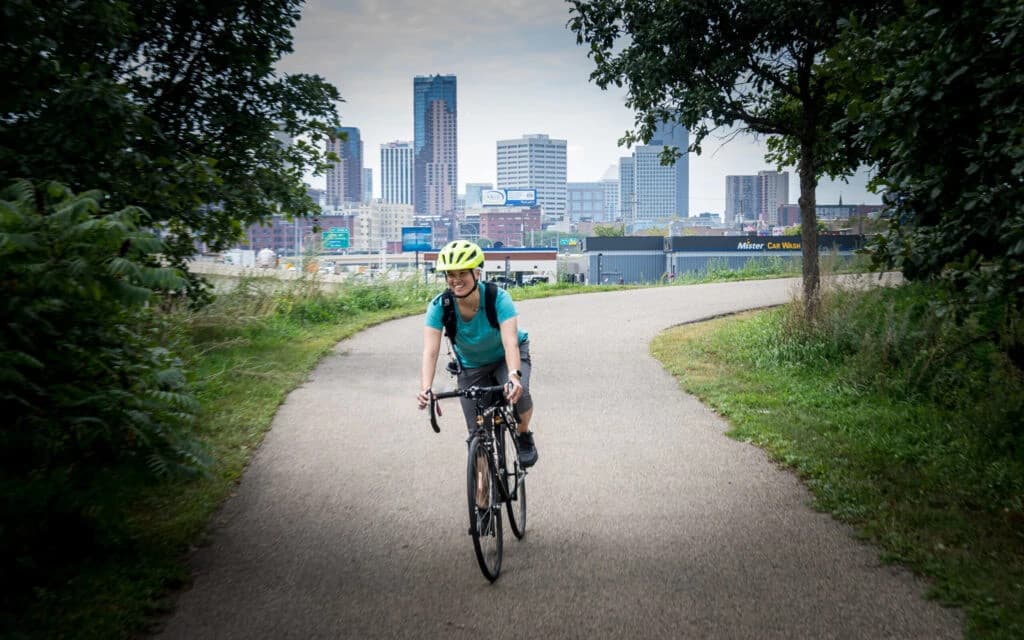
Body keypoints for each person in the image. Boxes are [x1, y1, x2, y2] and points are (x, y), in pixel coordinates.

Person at [416, 240, 538, 467]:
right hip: (471, 366)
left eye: (463, 273)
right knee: (477, 434)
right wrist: (426, 387)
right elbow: (430, 352)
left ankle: (523, 434)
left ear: (477, 273)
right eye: (451, 274)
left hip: (506, 357)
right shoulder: (439, 306)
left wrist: (513, 376)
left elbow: (510, 342)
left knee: (520, 394)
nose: (456, 279)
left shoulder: (497, 298)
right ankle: (482, 492)